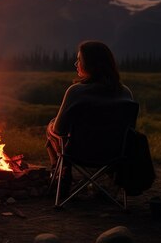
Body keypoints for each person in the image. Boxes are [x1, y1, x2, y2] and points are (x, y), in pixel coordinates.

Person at [45, 41, 134, 193]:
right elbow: (130, 131)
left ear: (89, 64)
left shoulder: (76, 92)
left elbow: (59, 130)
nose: (76, 63)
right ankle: (109, 184)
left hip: (79, 153)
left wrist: (52, 125)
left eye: (79, 60)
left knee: (51, 128)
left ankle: (63, 176)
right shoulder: (125, 93)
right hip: (114, 154)